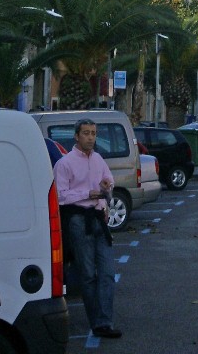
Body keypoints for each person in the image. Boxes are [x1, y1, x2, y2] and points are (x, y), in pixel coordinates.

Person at [53, 118, 122, 340]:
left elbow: (108, 182)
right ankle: (98, 323)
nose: (90, 137)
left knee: (108, 273)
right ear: (76, 136)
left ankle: (105, 321)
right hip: (78, 220)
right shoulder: (65, 163)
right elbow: (60, 196)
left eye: (93, 133)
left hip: (98, 219)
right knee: (88, 274)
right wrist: (87, 194)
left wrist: (106, 188)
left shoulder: (99, 159)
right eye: (86, 133)